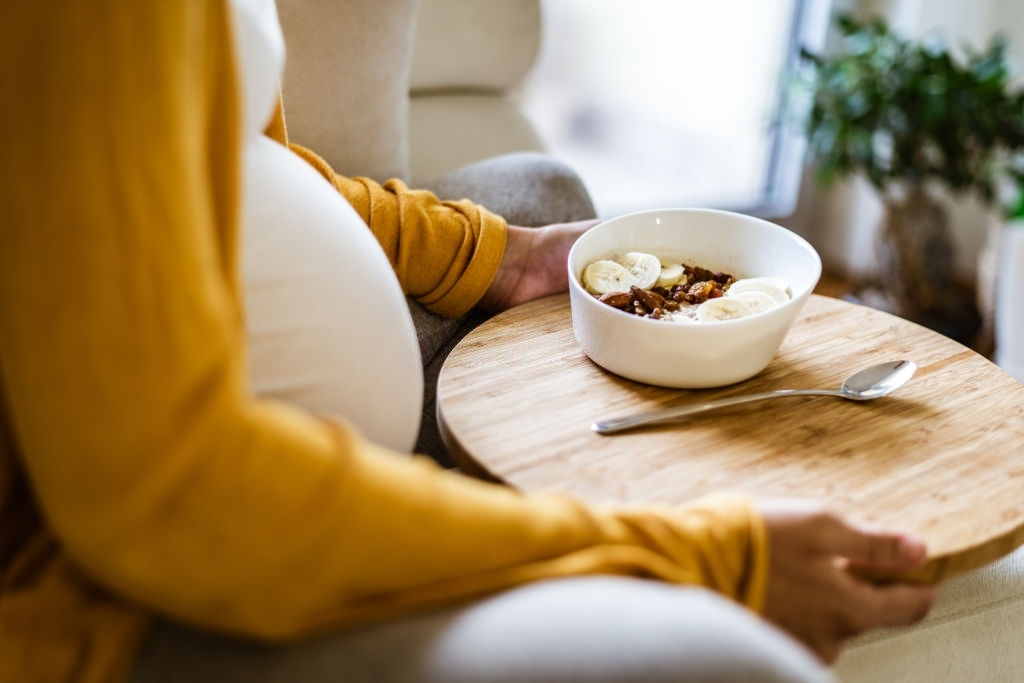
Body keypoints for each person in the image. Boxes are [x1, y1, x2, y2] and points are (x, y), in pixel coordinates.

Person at [0, 2, 938, 683]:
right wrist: (698, 557)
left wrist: (499, 256)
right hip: (127, 565)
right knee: (727, 668)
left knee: (541, 189)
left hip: (251, 392)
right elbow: (173, 495)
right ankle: (511, 529)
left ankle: (493, 507)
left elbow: (241, 159)